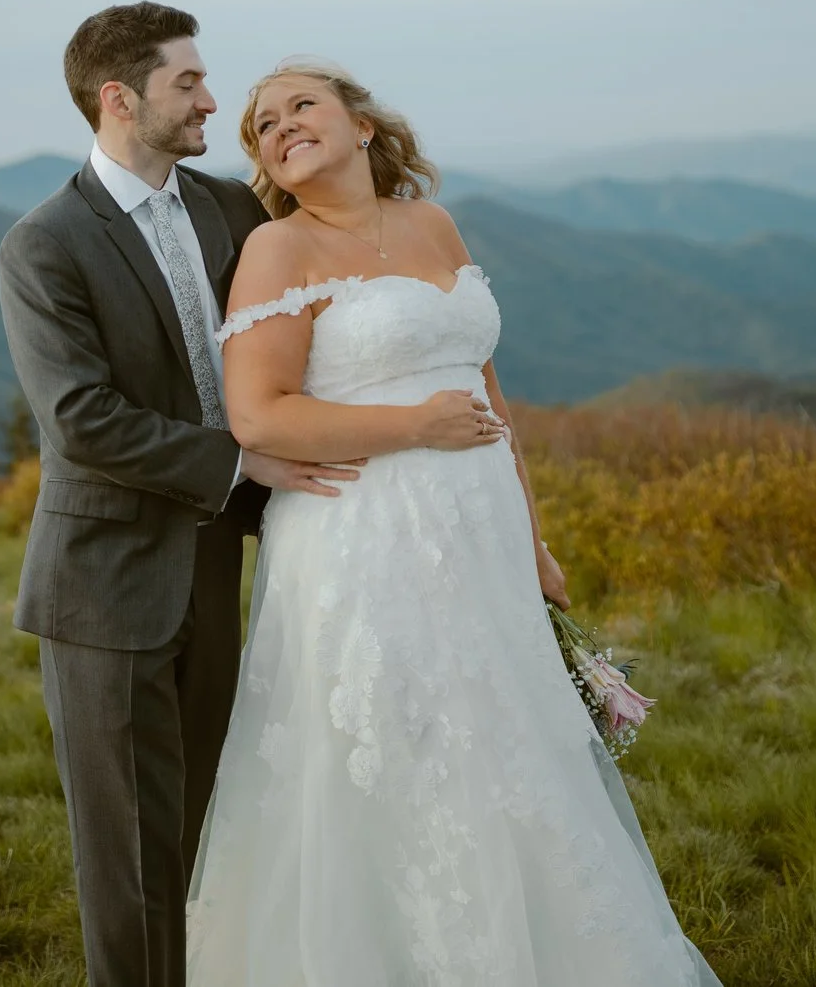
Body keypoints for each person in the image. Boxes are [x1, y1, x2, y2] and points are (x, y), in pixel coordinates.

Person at [185, 56, 717, 986]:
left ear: (361, 123)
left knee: (504, 741)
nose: (279, 127)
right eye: (262, 126)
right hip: (361, 534)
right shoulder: (281, 248)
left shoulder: (433, 221)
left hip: (479, 538)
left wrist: (531, 533)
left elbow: (487, 388)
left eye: (300, 105)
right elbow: (259, 414)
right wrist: (412, 425)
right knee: (395, 749)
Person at [0, 4, 363, 987]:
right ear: (119, 98)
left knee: (208, 826)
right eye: (188, 83)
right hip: (104, 583)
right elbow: (82, 419)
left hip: (216, 565)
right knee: (128, 859)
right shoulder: (45, 244)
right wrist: (247, 466)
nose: (212, 99)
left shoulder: (229, 212)